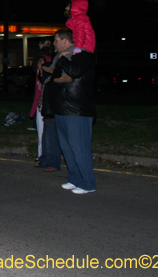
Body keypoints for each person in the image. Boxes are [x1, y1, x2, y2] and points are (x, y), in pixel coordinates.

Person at [47, 28, 96, 194]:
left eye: (56, 40)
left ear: (66, 41)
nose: (54, 43)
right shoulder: (63, 58)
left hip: (77, 110)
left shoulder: (83, 55)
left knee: (79, 147)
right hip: (63, 109)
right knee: (67, 147)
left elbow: (75, 72)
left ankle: (88, 183)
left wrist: (61, 60)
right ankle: (75, 179)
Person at [29, 55, 52, 168]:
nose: (39, 65)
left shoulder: (49, 78)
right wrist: (33, 111)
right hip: (40, 107)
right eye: (38, 63)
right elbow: (37, 94)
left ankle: (49, 157)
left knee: (49, 134)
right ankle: (40, 156)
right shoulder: (39, 77)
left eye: (42, 63)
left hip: (48, 109)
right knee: (41, 134)